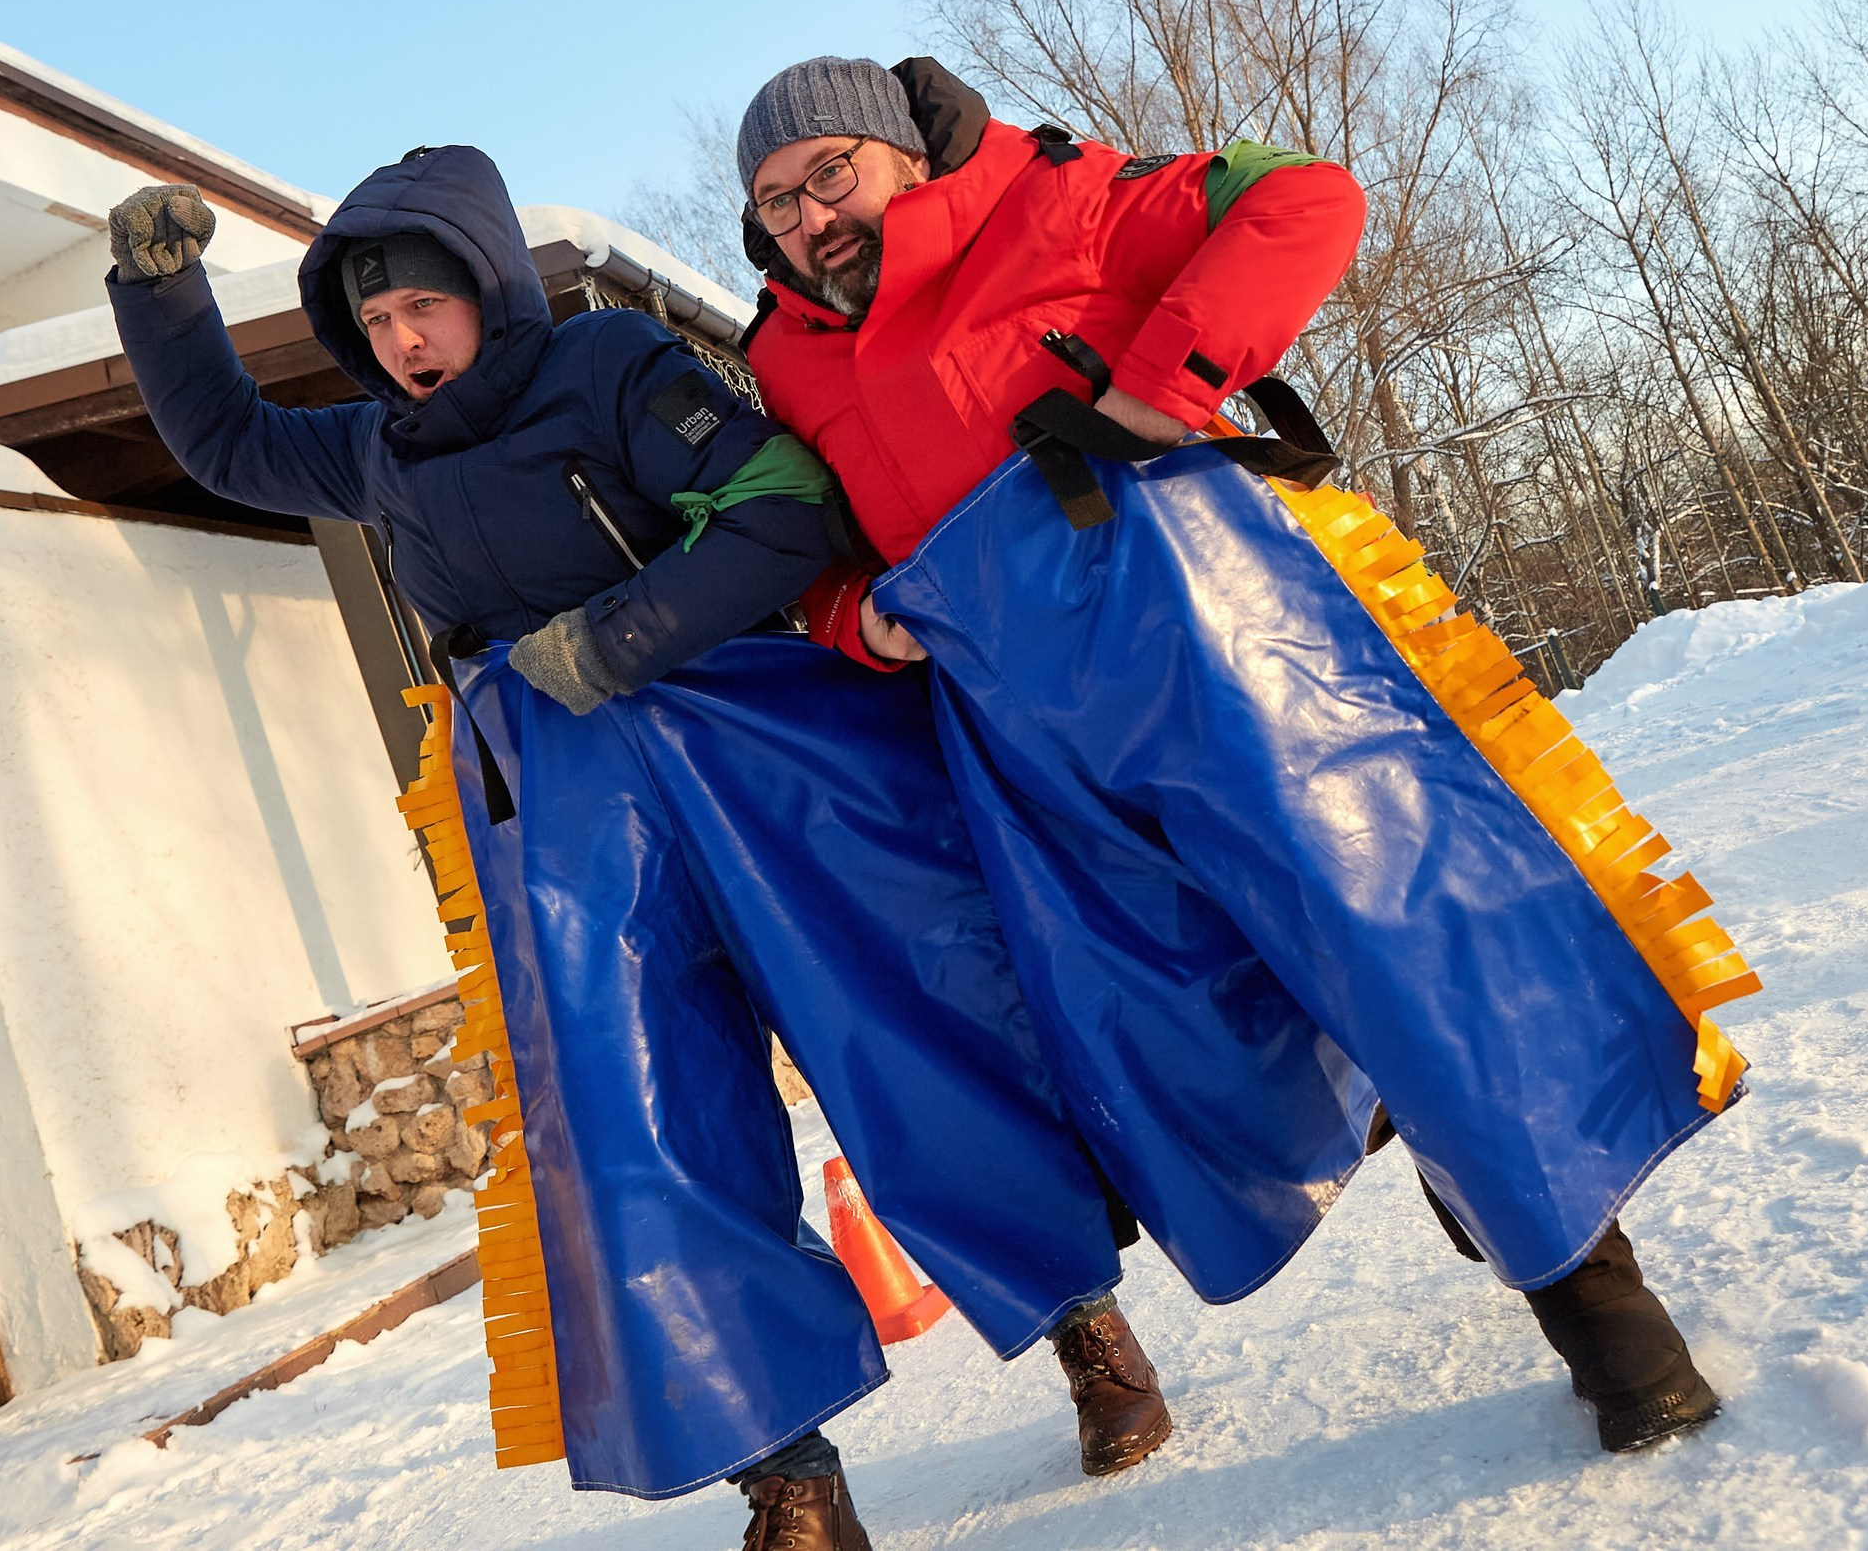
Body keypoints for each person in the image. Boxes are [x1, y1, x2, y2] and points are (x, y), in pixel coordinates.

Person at [100, 147, 1168, 1550]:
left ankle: (1083, 1326)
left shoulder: (605, 365)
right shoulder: (377, 448)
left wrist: (620, 637)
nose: (401, 342)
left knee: (909, 1033)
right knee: (643, 1117)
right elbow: (230, 442)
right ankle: (785, 1472)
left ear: (486, 284)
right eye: (374, 324)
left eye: (423, 305)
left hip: (751, 739)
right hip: (560, 796)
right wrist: (159, 297)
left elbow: (785, 501)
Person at [732, 56, 1749, 1455]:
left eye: (827, 173)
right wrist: (858, 619)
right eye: (776, 203)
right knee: (1153, 1011)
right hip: (1028, 739)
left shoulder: (1054, 199)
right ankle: (1410, 1121)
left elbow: (1303, 199)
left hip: (1220, 654)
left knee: (1390, 947)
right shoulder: (782, 357)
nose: (806, 220)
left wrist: (1166, 384)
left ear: (904, 153)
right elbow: (800, 543)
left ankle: (1595, 1301)